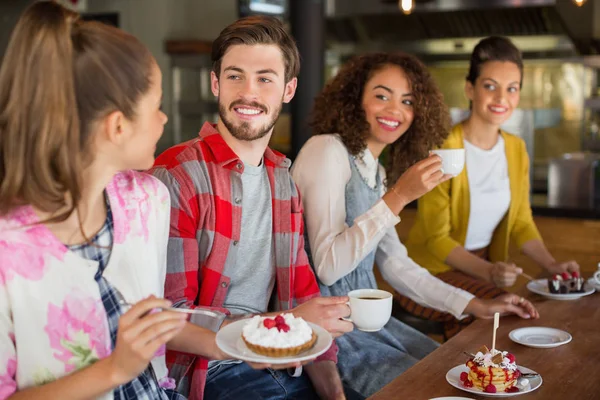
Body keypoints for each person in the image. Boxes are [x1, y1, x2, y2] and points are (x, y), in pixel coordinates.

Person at [0, 2, 229, 399]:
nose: (163, 120)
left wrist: (241, 344)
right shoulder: (8, 250)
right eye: (156, 107)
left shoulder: (148, 202)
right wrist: (114, 370)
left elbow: (152, 323)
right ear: (118, 126)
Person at [291, 52, 539, 397]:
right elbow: (329, 268)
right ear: (354, 99)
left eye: (407, 101)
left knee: (461, 374)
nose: (395, 110)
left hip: (372, 324)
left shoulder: (373, 170)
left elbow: (396, 265)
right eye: (381, 95)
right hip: (331, 337)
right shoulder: (326, 150)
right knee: (440, 388)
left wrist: (473, 305)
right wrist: (398, 197)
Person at [149, 16, 357, 400]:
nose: (248, 92)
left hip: (281, 360)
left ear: (288, 89)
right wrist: (288, 321)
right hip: (209, 374)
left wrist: (335, 394)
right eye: (234, 76)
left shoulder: (282, 180)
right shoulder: (176, 175)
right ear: (215, 83)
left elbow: (301, 295)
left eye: (265, 78)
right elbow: (172, 316)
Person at [403, 36, 579, 337]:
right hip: (429, 271)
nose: (501, 97)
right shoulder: (443, 149)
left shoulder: (516, 148)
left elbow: (522, 221)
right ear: (470, 88)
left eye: (512, 88)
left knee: (524, 307)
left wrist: (552, 265)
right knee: (502, 310)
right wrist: (490, 273)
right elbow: (437, 239)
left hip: (482, 269)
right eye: (490, 85)